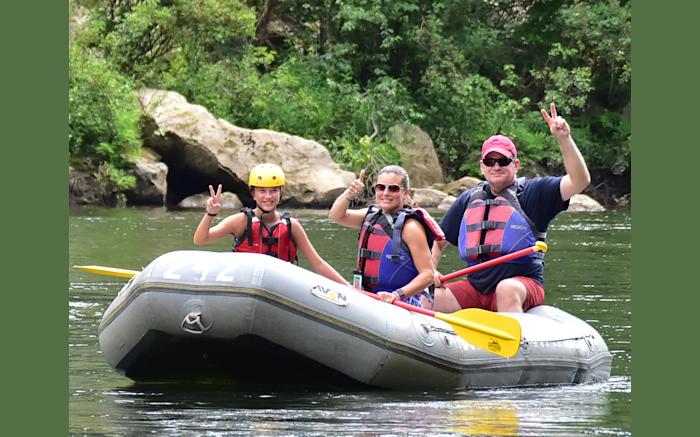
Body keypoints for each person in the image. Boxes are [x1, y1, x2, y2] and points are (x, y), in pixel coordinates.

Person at [431, 103, 591, 313]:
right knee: (429, 298)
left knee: (505, 289)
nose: (496, 166)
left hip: (522, 286)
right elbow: (436, 242)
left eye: (503, 161)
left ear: (515, 164)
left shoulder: (535, 193)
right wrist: (430, 271)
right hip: (476, 287)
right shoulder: (469, 199)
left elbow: (580, 181)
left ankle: (514, 342)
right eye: (490, 161)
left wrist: (564, 138)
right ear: (482, 166)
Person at [193, 163, 349, 285]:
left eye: (274, 191)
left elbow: (318, 263)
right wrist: (210, 214)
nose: (268, 196)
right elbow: (200, 240)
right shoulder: (241, 221)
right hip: (246, 286)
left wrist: (348, 288)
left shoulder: (291, 225)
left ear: (280, 193)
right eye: (262, 191)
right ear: (253, 194)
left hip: (281, 291)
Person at [329, 165, 444, 307]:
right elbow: (336, 216)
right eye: (381, 187)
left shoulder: (411, 228)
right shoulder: (370, 216)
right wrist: (349, 194)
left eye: (393, 188)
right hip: (369, 297)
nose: (386, 193)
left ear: (406, 192)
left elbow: (428, 275)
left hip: (402, 303)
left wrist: (396, 295)